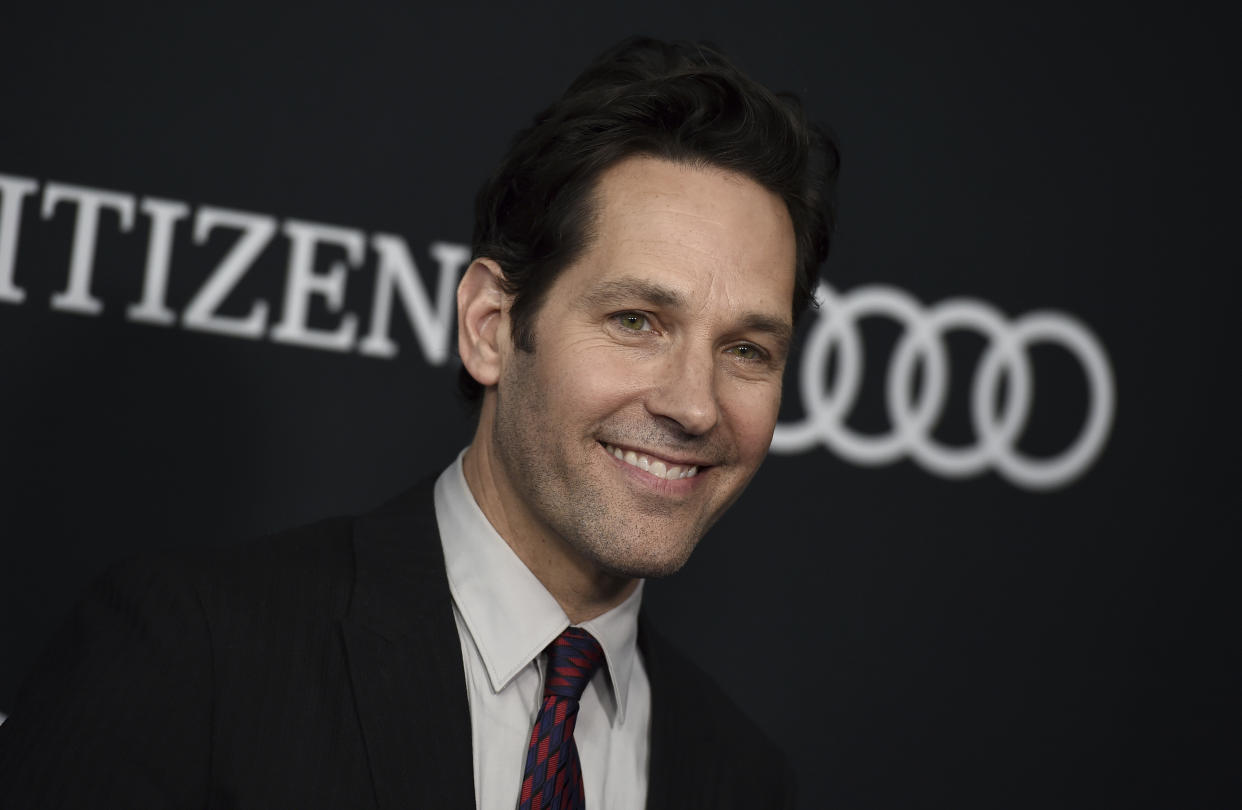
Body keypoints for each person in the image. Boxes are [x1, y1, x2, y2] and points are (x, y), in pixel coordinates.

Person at [0, 35, 837, 809]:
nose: (694, 405)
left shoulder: (745, 783)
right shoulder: (189, 660)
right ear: (490, 327)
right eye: (635, 321)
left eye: (747, 350)